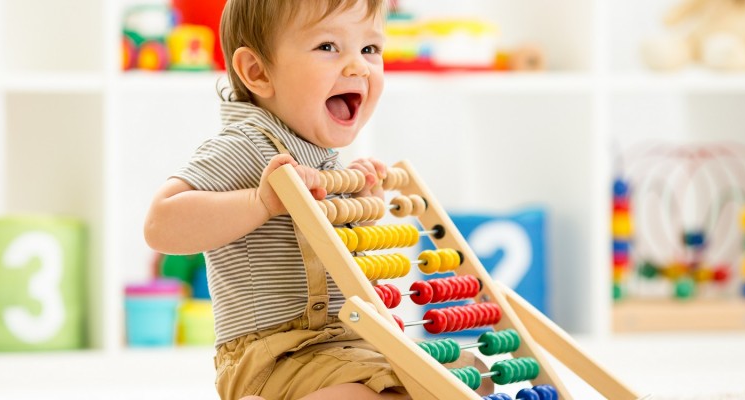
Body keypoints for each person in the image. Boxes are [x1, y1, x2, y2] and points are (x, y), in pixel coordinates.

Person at [144, 1, 489, 399]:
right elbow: (160, 226)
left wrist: (362, 212)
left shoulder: (319, 155)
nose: (358, 66)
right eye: (328, 47)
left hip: (343, 345)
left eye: (370, 49)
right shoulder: (248, 145)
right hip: (276, 357)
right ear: (257, 72)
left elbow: (324, 256)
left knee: (467, 374)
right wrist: (262, 201)